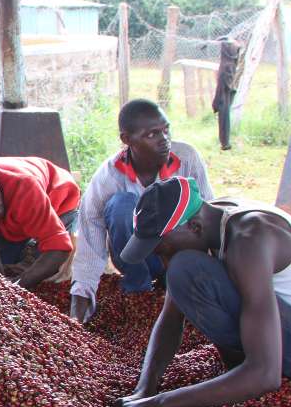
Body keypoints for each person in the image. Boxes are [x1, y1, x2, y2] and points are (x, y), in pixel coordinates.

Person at [113, 177, 291, 407]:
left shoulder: (249, 239)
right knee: (182, 272)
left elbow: (266, 374)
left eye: (165, 250)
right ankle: (240, 374)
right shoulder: (207, 217)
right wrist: (145, 389)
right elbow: (170, 320)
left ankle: (243, 374)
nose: (163, 262)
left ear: (194, 227)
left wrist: (162, 403)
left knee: (186, 269)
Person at [69, 99, 213, 324]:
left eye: (166, 130)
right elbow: (90, 241)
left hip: (179, 253)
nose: (164, 140)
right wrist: (80, 299)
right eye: (152, 134)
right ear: (127, 140)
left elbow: (209, 215)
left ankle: (174, 284)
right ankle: (138, 292)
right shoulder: (108, 178)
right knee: (122, 205)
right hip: (135, 256)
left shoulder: (187, 159)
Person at [0, 156, 80, 290]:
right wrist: (0, 283)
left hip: (58, 197)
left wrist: (19, 286)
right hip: (18, 210)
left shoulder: (24, 188)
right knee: (7, 264)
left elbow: (59, 247)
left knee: (44, 271)